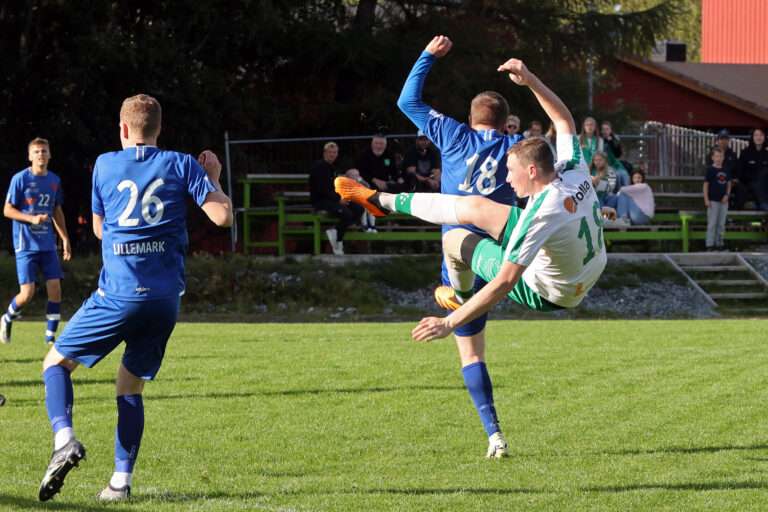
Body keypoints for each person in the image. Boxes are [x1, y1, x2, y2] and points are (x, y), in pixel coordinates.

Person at [36, 94, 233, 502]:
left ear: (124, 129)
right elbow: (223, 217)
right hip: (165, 301)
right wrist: (212, 176)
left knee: (55, 363)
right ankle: (119, 484)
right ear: (159, 130)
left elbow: (98, 230)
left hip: (119, 294)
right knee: (129, 387)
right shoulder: (182, 163)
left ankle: (64, 441)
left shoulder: (105, 164)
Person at [339, 57, 610, 344]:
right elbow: (564, 120)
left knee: (453, 239)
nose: (508, 178)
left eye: (511, 171)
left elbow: (505, 282)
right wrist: (529, 79)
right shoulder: (573, 168)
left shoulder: (538, 216)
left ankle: (459, 297)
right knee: (475, 207)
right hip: (585, 264)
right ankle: (381, 201)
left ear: (532, 170)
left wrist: (449, 322)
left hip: (551, 292)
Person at [396, 35, 524, 458]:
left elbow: (407, 101)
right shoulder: (514, 148)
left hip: (461, 250)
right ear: (505, 125)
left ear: (470, 120)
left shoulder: (453, 133)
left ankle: (494, 436)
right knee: (473, 331)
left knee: (470, 351)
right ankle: (455, 291)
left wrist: (427, 55)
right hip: (497, 258)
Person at [1, 138, 71, 345]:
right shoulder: (20, 178)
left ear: (50, 155)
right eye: (37, 151)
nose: (41, 154)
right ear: (30, 156)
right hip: (25, 245)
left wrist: (65, 238)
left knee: (55, 287)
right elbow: (7, 210)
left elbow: (57, 211)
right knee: (27, 294)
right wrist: (31, 219)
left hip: (47, 244)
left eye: (44, 151)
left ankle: (50, 339)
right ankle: (7, 319)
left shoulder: (54, 180)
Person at [309, 142, 364, 254]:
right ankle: (339, 241)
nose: (332, 154)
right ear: (325, 153)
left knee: (359, 209)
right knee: (347, 213)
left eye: (334, 152)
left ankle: (336, 231)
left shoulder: (334, 168)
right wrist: (338, 199)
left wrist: (343, 197)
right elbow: (321, 189)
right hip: (321, 200)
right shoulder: (318, 167)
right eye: (330, 152)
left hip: (334, 199)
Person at [704, 146, 731, 251]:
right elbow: (706, 185)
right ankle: (710, 244)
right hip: (713, 201)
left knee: (721, 224)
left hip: (723, 201)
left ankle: (720, 243)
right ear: (712, 157)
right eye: (716, 156)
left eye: (720, 156)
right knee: (712, 223)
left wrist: (727, 195)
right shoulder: (710, 170)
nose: (718, 158)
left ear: (723, 157)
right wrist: (706, 199)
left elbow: (728, 184)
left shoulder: (726, 170)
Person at [736, 128, 768, 210]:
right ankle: (764, 206)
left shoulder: (766, 154)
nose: (758, 137)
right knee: (756, 186)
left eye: (761, 135)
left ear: (764, 137)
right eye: (756, 135)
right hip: (749, 182)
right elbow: (741, 170)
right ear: (752, 137)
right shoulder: (745, 152)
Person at [705, 129, 739, 207]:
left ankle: (735, 211)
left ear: (729, 140)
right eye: (722, 139)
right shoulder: (711, 154)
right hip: (716, 183)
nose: (724, 141)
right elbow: (710, 170)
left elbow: (738, 169)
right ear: (717, 140)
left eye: (726, 139)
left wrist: (736, 179)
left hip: (731, 182)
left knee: (742, 190)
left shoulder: (733, 154)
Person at [345, 168, 377, 233]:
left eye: (357, 175)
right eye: (353, 175)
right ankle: (364, 225)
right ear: (348, 177)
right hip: (351, 204)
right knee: (363, 206)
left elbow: (368, 187)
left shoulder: (360, 183)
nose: (355, 177)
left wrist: (363, 182)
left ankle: (373, 226)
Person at [600, 121, 629, 189]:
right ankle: (617, 191)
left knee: (624, 174)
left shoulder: (614, 139)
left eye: (607, 129)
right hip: (604, 164)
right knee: (617, 175)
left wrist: (611, 142)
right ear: (601, 131)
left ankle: (626, 191)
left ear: (610, 130)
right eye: (603, 129)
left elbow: (617, 154)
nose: (605, 131)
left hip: (615, 164)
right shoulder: (599, 140)